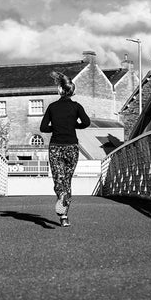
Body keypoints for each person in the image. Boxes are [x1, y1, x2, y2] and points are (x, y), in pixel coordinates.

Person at [40, 71, 91, 227]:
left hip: (56, 147)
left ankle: (62, 201)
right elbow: (87, 122)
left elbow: (43, 128)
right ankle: (64, 217)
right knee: (67, 180)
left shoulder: (52, 107)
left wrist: (55, 128)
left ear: (60, 90)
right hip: (72, 147)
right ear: (71, 91)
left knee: (58, 180)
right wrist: (74, 125)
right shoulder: (76, 107)